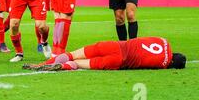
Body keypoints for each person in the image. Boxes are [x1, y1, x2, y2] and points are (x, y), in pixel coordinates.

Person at [23, 36, 187, 71]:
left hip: (114, 46)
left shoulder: (163, 40)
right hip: (118, 62)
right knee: (80, 64)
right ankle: (63, 66)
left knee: (74, 54)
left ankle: (43, 63)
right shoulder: (164, 64)